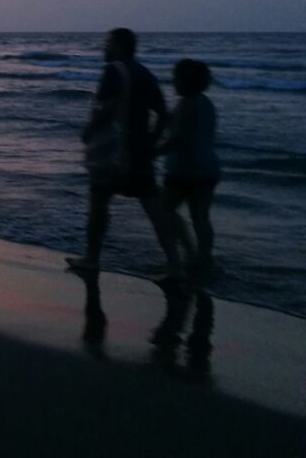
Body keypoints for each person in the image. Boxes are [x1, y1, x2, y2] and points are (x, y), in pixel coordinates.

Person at [68, 28, 182, 277]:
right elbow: (163, 112)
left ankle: (92, 258)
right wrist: (151, 141)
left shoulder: (113, 70)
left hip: (113, 152)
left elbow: (106, 107)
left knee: (99, 203)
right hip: (139, 152)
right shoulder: (144, 73)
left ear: (120, 45)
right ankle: (175, 264)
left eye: (108, 43)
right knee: (154, 209)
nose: (104, 48)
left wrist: (89, 130)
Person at [158, 59, 221, 275]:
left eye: (176, 77)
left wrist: (152, 152)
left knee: (164, 209)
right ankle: (204, 259)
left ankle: (184, 256)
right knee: (201, 217)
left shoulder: (187, 104)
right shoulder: (204, 102)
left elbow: (178, 139)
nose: (172, 80)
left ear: (186, 80)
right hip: (208, 167)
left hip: (186, 169)